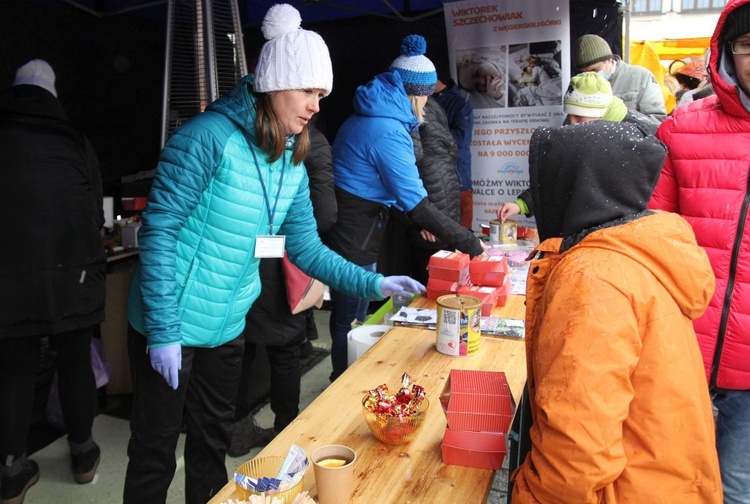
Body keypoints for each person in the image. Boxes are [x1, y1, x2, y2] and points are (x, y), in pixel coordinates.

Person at [122, 5, 423, 504]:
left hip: (227, 324)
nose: (316, 105)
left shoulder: (290, 157)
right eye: (308, 91)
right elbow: (158, 232)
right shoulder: (205, 138)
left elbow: (304, 247)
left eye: (321, 95)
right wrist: (164, 330)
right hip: (170, 321)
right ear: (274, 83)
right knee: (154, 452)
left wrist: (374, 285)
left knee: (211, 446)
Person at [510, 96, 722, 502]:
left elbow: (576, 453)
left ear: (574, 188)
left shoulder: (593, 277)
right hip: (664, 481)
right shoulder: (633, 250)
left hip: (628, 490)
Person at [323, 34, 484, 381]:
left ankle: (348, 377)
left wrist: (417, 215)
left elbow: (390, 189)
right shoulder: (388, 130)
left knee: (353, 314)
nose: (427, 102)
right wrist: (471, 244)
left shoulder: (377, 114)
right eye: (425, 95)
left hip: (358, 224)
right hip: (355, 232)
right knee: (349, 318)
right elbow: (416, 201)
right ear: (415, 93)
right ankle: (342, 382)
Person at [648, 1, 750, 500]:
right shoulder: (683, 128)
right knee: (663, 476)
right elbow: (650, 234)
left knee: (734, 486)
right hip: (682, 341)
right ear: (728, 52)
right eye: (749, 45)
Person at [0, 59, 104, 504]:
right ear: (52, 94)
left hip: (9, 276)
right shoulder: (74, 140)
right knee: (75, 360)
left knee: (13, 370)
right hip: (71, 273)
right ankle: (82, 455)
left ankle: (10, 470)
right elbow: (95, 210)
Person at [229, 122, 335, 457]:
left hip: (238, 258)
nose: (315, 105)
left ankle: (237, 430)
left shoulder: (241, 136)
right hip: (281, 261)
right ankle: (286, 432)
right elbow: (327, 214)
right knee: (286, 348)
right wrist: (292, 235)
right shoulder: (310, 142)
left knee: (237, 348)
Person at [498, 72, 656, 222]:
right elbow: (558, 175)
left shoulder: (642, 133)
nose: (571, 123)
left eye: (579, 117)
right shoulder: (575, 128)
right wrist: (521, 205)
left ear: (599, 112)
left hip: (629, 227)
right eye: (570, 115)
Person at [573, 34, 667, 124]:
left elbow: (655, 120)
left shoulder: (641, 77)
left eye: (595, 69)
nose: (591, 76)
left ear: (609, 60)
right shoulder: (579, 84)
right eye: (584, 72)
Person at [433, 70, 474, 230]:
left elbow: (462, 139)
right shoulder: (423, 101)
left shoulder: (460, 104)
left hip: (458, 180)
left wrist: (430, 133)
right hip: (431, 181)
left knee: (462, 233)